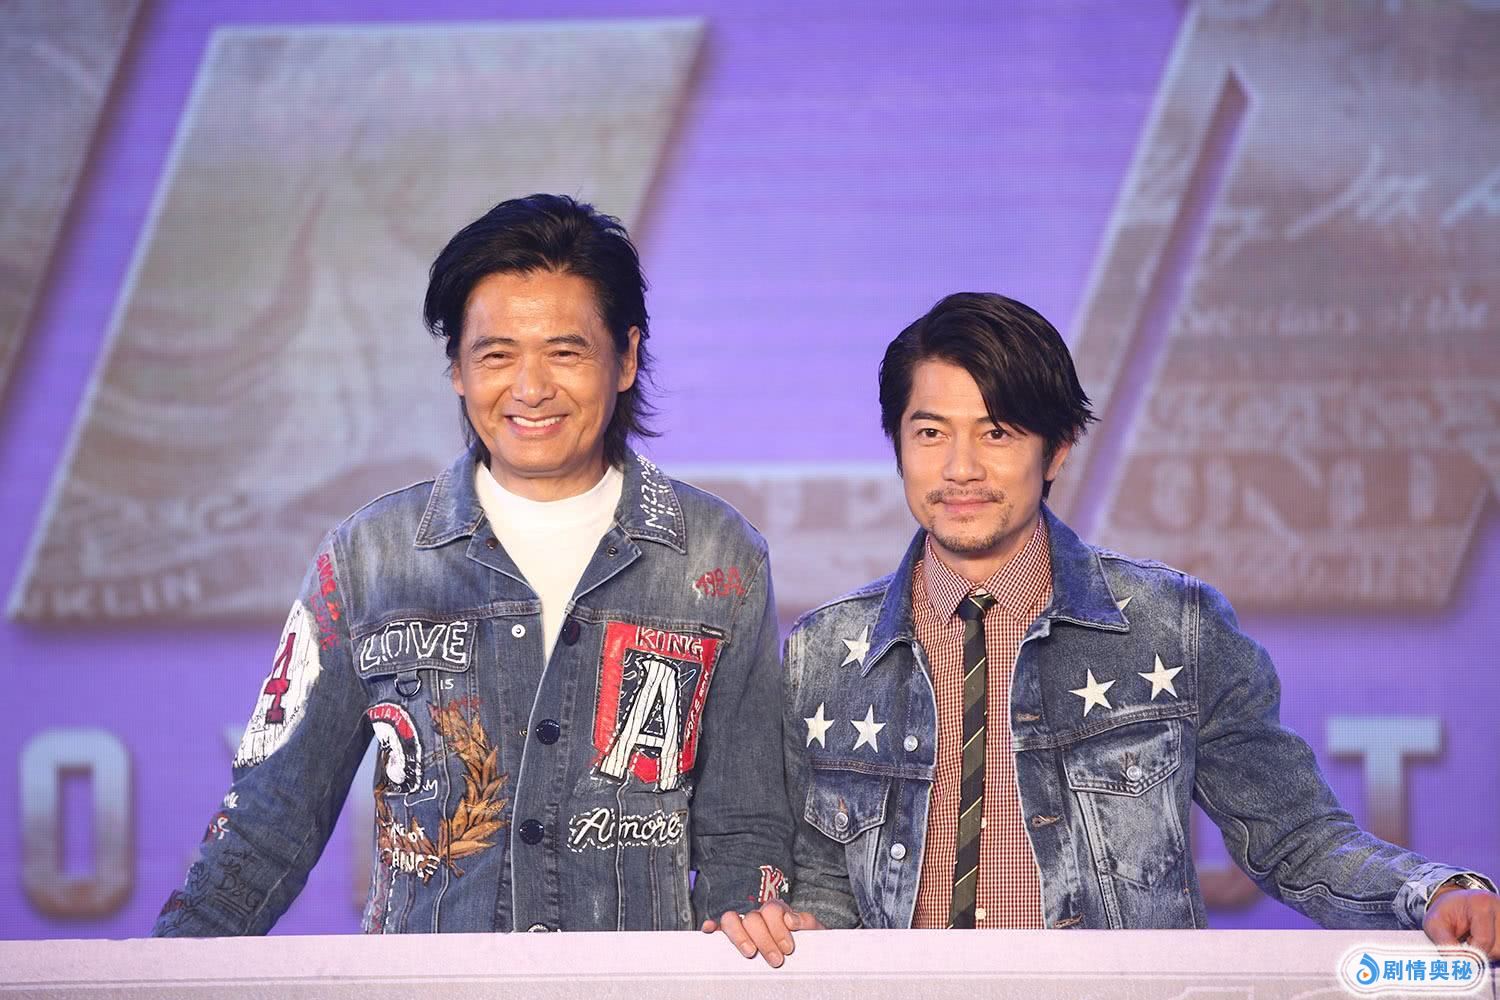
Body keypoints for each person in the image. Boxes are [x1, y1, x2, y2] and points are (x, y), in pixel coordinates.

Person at [709, 292, 1498, 965]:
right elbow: (823, 887)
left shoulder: (1174, 626)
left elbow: (1295, 839)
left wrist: (1433, 893)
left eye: (997, 432)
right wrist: (789, 926)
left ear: (1057, 450)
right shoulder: (823, 654)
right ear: (898, 445)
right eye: (931, 433)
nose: (960, 469)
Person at [154, 194, 791, 935]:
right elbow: (270, 818)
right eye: (496, 355)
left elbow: (746, 827)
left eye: (565, 352)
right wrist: (161, 969)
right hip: (421, 985)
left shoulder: (718, 556)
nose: (530, 388)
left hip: (634, 984)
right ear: (457, 367)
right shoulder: (369, 559)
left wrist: (743, 936)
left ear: (625, 358)